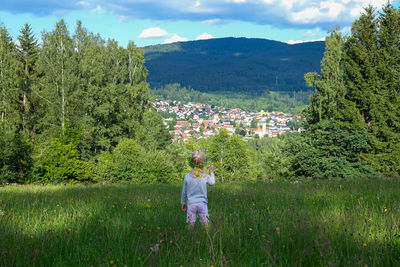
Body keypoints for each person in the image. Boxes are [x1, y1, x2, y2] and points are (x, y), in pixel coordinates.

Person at [181, 149, 215, 229]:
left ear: (191, 163)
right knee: (205, 224)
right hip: (202, 204)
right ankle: (206, 238)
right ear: (204, 163)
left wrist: (183, 202)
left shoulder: (187, 176)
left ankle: (190, 238)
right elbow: (212, 183)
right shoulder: (205, 176)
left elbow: (184, 192)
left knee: (191, 224)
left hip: (191, 204)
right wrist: (211, 173)